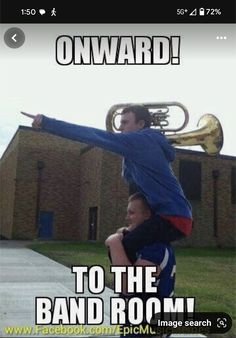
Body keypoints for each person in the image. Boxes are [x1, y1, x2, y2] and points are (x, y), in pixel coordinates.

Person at [21, 105, 192, 263]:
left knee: (118, 246)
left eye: (125, 122)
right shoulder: (143, 145)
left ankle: (131, 290)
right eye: (119, 123)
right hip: (169, 215)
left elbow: (91, 135)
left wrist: (47, 122)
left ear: (141, 124)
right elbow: (129, 177)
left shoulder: (143, 139)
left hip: (173, 217)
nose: (120, 128)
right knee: (124, 238)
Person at [105, 192, 176, 338]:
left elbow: (128, 286)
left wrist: (114, 242)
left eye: (131, 213)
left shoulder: (157, 248)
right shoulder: (140, 244)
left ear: (147, 215)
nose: (127, 218)